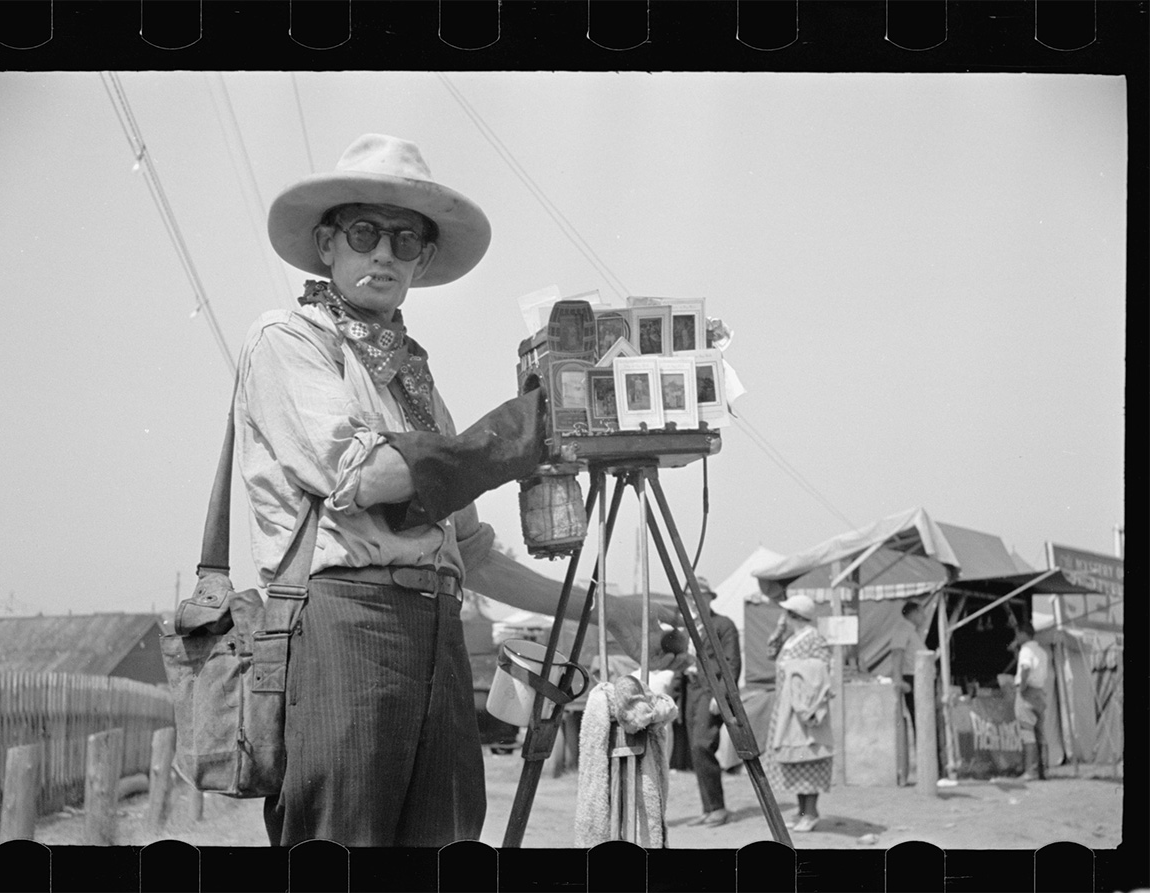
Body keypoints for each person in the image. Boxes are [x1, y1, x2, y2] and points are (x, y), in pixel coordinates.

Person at [241, 133, 684, 847]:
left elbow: (473, 553)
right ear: (328, 243)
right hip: (346, 624)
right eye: (364, 233)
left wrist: (605, 608)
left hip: (437, 629)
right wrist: (526, 427)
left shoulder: (418, 386)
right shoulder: (288, 340)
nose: (384, 253)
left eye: (404, 239)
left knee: (447, 843)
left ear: (420, 260)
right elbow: (368, 477)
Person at [764, 593, 833, 833]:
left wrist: (794, 669)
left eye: (787, 613)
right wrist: (779, 631)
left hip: (804, 708)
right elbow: (771, 652)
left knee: (808, 756)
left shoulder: (814, 638)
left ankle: (811, 812)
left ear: (794, 615)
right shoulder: (791, 638)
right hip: (786, 708)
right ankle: (802, 811)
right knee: (793, 759)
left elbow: (823, 669)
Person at [683, 577, 741, 827]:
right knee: (695, 750)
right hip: (692, 690)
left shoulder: (723, 625)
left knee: (701, 745)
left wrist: (722, 695)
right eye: (689, 597)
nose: (694, 601)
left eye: (699, 596)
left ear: (708, 598)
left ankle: (717, 808)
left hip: (711, 690)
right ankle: (708, 808)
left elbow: (731, 663)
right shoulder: (687, 627)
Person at [1012, 620, 1049, 781]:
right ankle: (1043, 771)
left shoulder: (1026, 650)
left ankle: (1030, 771)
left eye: (1017, 634)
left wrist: (1021, 689)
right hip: (1040, 692)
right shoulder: (1042, 651)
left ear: (1023, 634)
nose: (1016, 637)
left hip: (1028, 692)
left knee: (1027, 732)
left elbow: (1025, 668)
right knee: (1040, 733)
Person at [895, 601, 926, 743]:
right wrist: (899, 680)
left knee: (924, 718)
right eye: (921, 612)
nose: (924, 616)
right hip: (911, 678)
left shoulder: (914, 632)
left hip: (921, 679)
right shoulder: (903, 630)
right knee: (919, 718)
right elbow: (897, 653)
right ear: (914, 613)